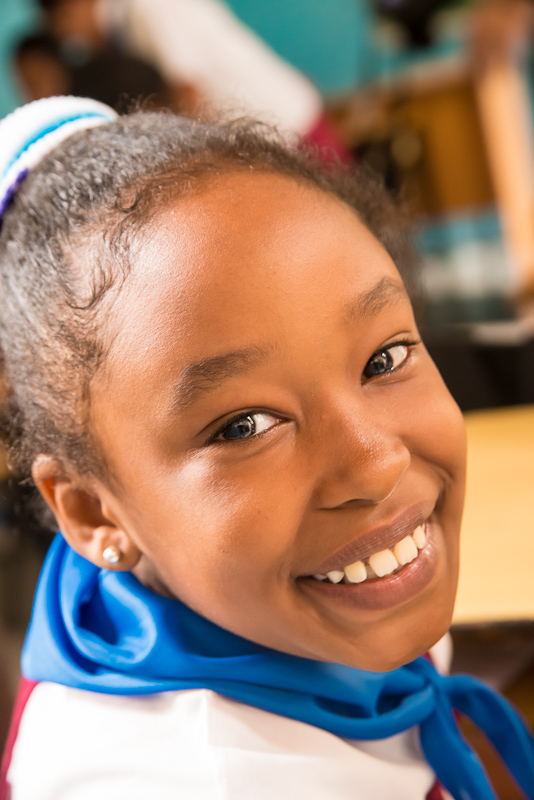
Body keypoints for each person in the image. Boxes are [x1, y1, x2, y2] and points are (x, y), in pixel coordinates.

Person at [0, 96, 533, 800]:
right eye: (244, 425)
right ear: (95, 515)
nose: (378, 463)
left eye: (384, 358)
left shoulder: (270, 596)